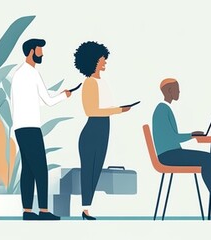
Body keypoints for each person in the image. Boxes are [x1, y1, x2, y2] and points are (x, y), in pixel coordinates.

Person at [152, 78, 211, 219]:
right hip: (168, 155)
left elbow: (171, 137)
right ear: (168, 90)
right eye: (176, 88)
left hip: (172, 152)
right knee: (209, 160)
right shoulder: (162, 110)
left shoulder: (164, 109)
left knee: (209, 159)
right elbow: (172, 138)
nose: (179, 91)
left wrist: (192, 135)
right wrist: (192, 135)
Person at [11, 39, 72, 221]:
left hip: (20, 127)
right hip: (31, 127)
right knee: (40, 169)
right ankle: (44, 211)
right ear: (31, 51)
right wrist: (64, 95)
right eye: (40, 50)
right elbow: (48, 101)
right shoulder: (32, 74)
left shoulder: (17, 75)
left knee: (28, 169)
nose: (42, 54)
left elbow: (24, 102)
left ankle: (27, 211)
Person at [75, 41, 130, 220]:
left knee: (95, 170)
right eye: (102, 59)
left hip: (103, 129)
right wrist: (119, 110)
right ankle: (85, 210)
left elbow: (105, 107)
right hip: (93, 130)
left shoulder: (102, 82)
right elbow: (91, 111)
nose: (105, 62)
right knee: (88, 172)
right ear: (94, 61)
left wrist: (117, 109)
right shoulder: (90, 82)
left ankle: (87, 209)